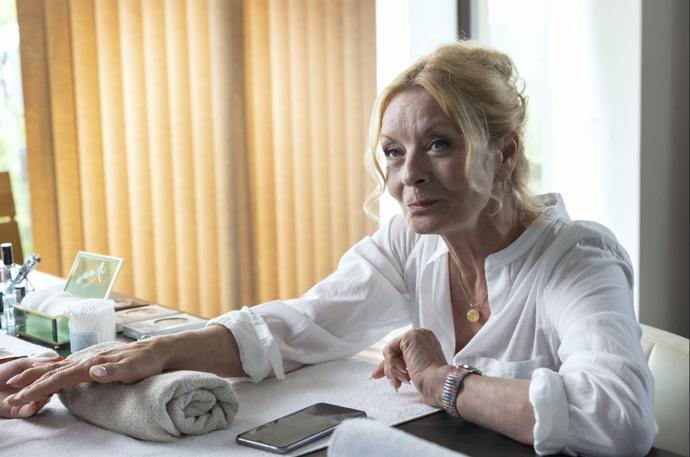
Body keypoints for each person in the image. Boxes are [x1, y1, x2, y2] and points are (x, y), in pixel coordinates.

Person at [2, 41, 656, 456]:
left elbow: (619, 419)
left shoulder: (577, 259)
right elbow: (300, 325)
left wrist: (441, 381)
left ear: (505, 152)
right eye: (393, 152)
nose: (409, 176)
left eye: (439, 144)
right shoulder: (410, 241)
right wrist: (152, 352)